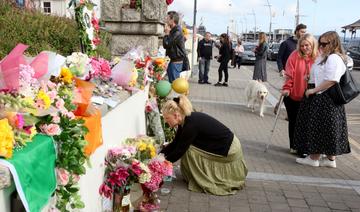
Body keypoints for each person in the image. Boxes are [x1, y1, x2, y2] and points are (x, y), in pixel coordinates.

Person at [160, 95, 248, 195]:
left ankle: (202, 177)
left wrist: (160, 165)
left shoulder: (190, 125)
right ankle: (195, 175)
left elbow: (179, 151)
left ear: (176, 115)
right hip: (226, 143)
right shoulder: (185, 119)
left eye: (167, 118)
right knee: (187, 147)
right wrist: (159, 155)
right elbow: (175, 143)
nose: (166, 121)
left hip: (230, 148)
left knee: (189, 150)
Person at [294, 31, 350, 168]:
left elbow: (331, 80)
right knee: (327, 128)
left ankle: (314, 158)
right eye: (320, 43)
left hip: (325, 96)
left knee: (318, 127)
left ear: (333, 43)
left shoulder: (333, 58)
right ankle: (330, 159)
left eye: (324, 44)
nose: (321, 46)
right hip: (324, 96)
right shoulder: (327, 56)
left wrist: (313, 90)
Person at [280, 34, 318, 155]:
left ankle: (305, 147)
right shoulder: (294, 56)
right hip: (294, 95)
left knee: (308, 123)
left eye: (307, 45)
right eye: (302, 45)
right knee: (294, 121)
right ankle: (294, 145)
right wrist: (287, 88)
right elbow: (289, 75)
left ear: (312, 44)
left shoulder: (318, 57)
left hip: (311, 96)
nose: (304, 48)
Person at [163, 11, 186, 83]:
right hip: (173, 60)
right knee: (172, 82)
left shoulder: (177, 31)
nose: (166, 20)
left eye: (167, 18)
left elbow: (167, 44)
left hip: (176, 61)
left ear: (172, 20)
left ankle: (176, 94)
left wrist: (166, 34)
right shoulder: (174, 30)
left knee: (174, 83)